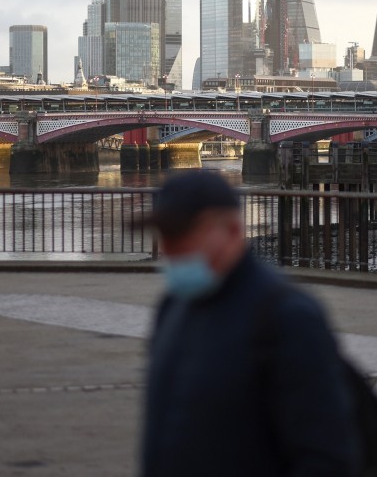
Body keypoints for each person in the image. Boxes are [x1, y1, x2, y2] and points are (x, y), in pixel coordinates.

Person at [141, 171, 362, 477]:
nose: (167, 249)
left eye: (182, 234)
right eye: (163, 234)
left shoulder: (288, 316)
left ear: (232, 230)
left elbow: (326, 455)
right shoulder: (172, 306)